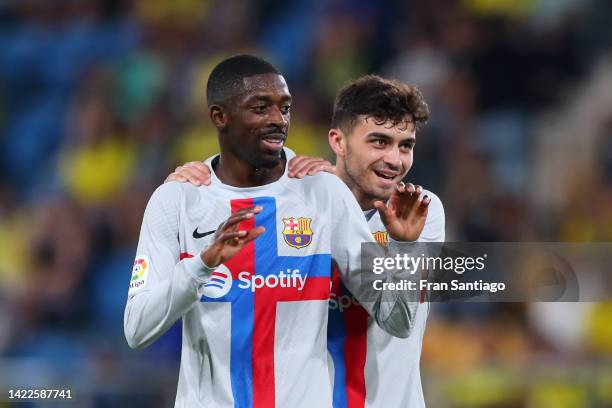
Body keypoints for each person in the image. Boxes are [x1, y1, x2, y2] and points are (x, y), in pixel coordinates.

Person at [124, 55, 430, 408]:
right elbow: (137, 329)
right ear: (219, 117)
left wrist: (406, 248)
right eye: (260, 108)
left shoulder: (324, 194)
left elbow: (397, 320)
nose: (278, 120)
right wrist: (202, 264)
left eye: (284, 108)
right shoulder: (176, 200)